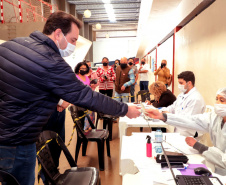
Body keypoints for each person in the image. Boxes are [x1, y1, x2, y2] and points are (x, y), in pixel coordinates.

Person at [0, 11, 141, 185]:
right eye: (73, 40)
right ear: (58, 33)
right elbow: (86, 96)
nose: (73, 45)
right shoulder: (51, 62)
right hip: (17, 142)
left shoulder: (11, 45)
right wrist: (125, 109)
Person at [146, 87, 226, 176]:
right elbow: (191, 120)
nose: (217, 104)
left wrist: (200, 147)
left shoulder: (196, 98)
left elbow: (224, 159)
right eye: (217, 99)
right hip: (216, 164)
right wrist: (163, 116)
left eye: (222, 100)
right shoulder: (216, 117)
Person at [160, 71, 205, 136]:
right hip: (178, 129)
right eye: (179, 83)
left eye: (181, 83)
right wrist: (160, 111)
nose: (179, 85)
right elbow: (172, 107)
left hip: (189, 133)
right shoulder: (181, 95)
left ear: (189, 83)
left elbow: (187, 120)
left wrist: (168, 115)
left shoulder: (195, 99)